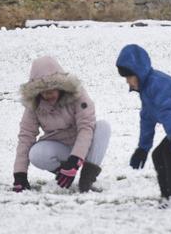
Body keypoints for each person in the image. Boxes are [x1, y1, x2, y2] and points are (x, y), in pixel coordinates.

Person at [115, 43, 171, 208]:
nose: (128, 81)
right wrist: (143, 148)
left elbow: (167, 113)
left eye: (129, 76)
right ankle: (166, 197)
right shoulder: (146, 90)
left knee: (169, 153)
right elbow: (147, 120)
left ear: (138, 72)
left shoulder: (158, 84)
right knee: (158, 154)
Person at [13, 55, 111, 193]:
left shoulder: (78, 95)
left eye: (52, 90)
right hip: (60, 147)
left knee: (103, 127)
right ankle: (64, 174)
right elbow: (26, 136)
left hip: (84, 144)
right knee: (36, 153)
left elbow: (86, 127)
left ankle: (87, 177)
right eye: (43, 92)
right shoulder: (34, 105)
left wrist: (75, 160)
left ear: (61, 86)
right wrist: (20, 175)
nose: (48, 95)